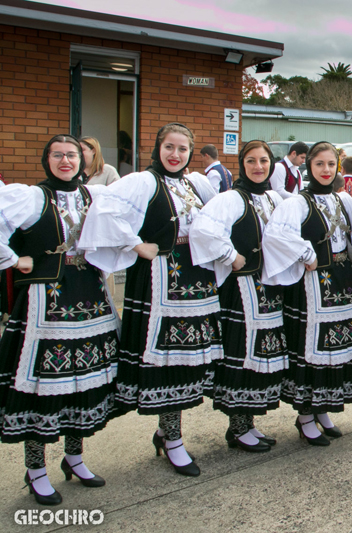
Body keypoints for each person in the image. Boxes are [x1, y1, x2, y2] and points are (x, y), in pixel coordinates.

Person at [78, 123, 221, 477]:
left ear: (190, 152)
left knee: (188, 361)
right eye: (169, 147)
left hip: (195, 280)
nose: (175, 154)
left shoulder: (195, 183)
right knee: (168, 363)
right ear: (157, 148)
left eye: (183, 149)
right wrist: (135, 244)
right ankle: (173, 440)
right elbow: (104, 211)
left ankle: (166, 432)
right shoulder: (142, 181)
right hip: (161, 280)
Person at [0, 134, 120, 505]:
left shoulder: (93, 196)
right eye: (58, 155)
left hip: (88, 294)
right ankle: (35, 469)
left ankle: (75, 458)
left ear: (84, 160)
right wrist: (12, 259)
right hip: (46, 300)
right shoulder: (31, 197)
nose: (66, 161)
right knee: (44, 386)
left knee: (81, 384)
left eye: (72, 155)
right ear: (46, 160)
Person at [263, 142, 352, 446]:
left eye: (330, 165)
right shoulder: (297, 203)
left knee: (337, 349)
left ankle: (323, 409)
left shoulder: (343, 200)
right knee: (313, 351)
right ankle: (305, 415)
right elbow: (276, 235)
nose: (325, 170)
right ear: (309, 166)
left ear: (338, 167)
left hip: (342, 281)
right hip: (312, 285)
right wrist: (304, 253)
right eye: (319, 164)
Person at [189, 140, 286, 453]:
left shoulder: (273, 197)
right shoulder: (231, 198)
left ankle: (249, 423)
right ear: (242, 165)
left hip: (268, 288)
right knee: (242, 356)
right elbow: (202, 229)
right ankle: (237, 427)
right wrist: (230, 255)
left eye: (264, 161)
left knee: (260, 357)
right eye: (251, 161)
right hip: (241, 289)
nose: (258, 167)